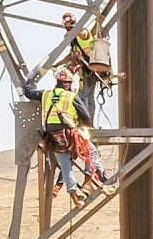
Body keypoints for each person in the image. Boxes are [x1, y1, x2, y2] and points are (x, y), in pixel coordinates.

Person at [23, 69, 104, 207]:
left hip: (52, 138)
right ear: (67, 83)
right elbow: (85, 116)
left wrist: (29, 80)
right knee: (92, 151)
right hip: (69, 135)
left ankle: (74, 195)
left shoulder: (46, 94)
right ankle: (88, 180)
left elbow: (29, 92)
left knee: (66, 166)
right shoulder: (71, 96)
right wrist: (84, 125)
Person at [60, 12, 102, 125]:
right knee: (89, 96)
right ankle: (89, 121)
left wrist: (74, 29)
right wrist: (55, 65)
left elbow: (83, 33)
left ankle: (85, 121)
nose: (69, 27)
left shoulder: (82, 33)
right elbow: (70, 56)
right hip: (88, 70)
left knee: (82, 96)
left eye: (72, 24)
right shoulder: (74, 40)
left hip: (91, 69)